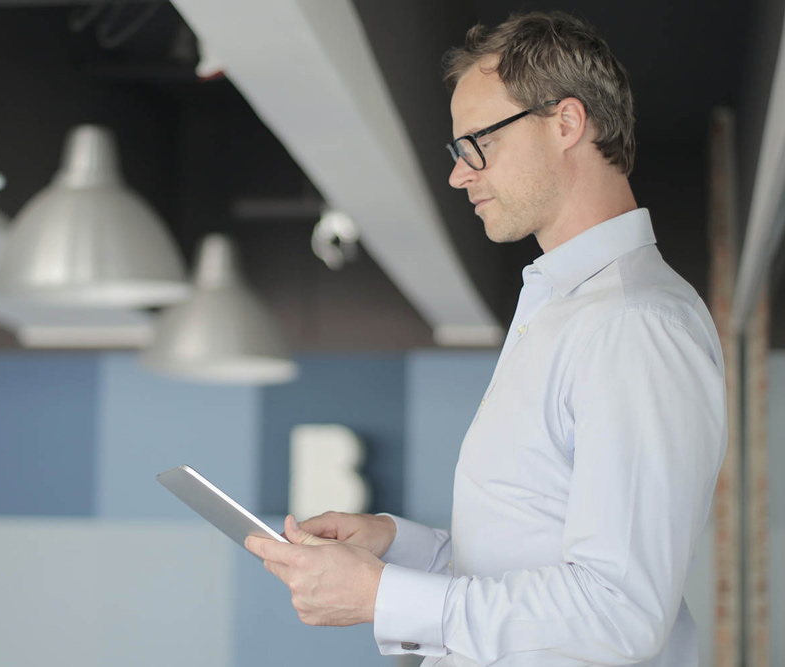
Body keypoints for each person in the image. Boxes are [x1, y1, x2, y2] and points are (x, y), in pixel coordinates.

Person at [246, 11, 727, 667]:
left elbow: (618, 612)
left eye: (480, 142)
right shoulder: (564, 306)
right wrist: (396, 546)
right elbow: (524, 556)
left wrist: (385, 596)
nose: (459, 173)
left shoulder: (632, 322)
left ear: (566, 123)